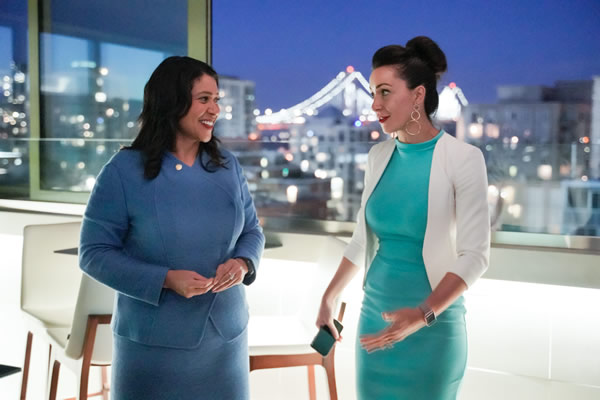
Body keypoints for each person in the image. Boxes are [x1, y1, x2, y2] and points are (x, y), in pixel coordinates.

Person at [79, 56, 265, 400]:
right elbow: (93, 254)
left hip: (226, 341)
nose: (215, 109)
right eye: (204, 99)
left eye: (217, 99)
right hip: (154, 349)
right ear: (171, 102)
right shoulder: (123, 171)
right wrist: (164, 279)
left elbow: (252, 231)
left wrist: (243, 263)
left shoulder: (228, 167)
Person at [316, 36, 490, 399]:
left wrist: (422, 314)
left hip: (433, 329)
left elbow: (475, 256)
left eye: (384, 92)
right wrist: (329, 298)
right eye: (372, 93)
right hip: (375, 325)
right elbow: (362, 240)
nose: (374, 104)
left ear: (417, 95)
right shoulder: (378, 157)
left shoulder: (464, 158)